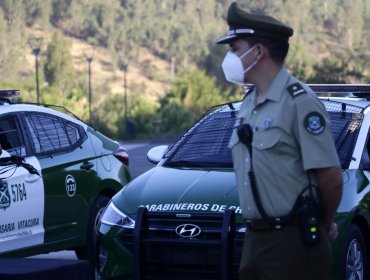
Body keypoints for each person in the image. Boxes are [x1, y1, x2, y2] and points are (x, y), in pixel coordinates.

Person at [217, 2, 343, 280]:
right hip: (254, 239)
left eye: (235, 49)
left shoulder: (300, 102)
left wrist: (319, 224)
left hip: (293, 242)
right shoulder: (249, 103)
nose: (229, 58)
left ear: (258, 52)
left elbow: (331, 178)